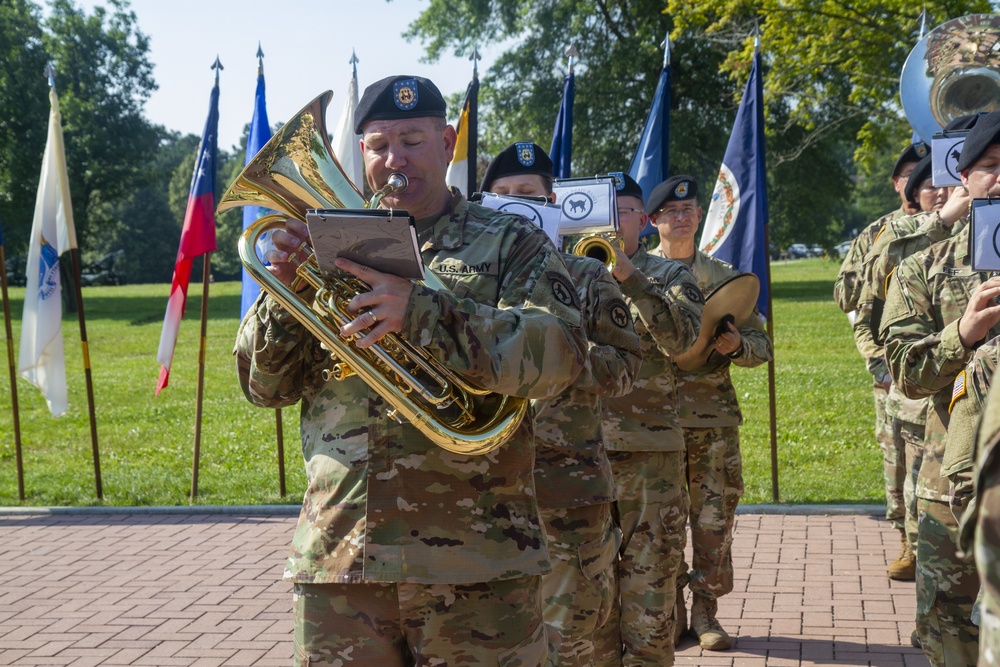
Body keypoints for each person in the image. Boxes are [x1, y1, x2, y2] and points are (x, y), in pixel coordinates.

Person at [235, 74, 590, 666]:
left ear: (447, 141)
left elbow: (561, 354)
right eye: (377, 145)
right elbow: (262, 387)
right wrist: (284, 297)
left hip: (478, 558)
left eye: (411, 140)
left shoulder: (509, 241)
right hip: (341, 559)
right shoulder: (329, 245)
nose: (393, 159)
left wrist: (424, 312)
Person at [479, 143, 643, 667]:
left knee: (573, 634)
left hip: (567, 485)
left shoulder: (588, 276)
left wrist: (559, 356)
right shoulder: (468, 278)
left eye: (527, 195)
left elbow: (625, 367)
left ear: (553, 200)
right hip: (482, 489)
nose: (515, 205)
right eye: (502, 196)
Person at [881, 110, 1000, 666]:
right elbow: (904, 371)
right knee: (952, 634)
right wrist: (964, 332)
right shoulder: (923, 269)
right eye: (992, 167)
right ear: (964, 179)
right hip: (949, 489)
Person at [646, 175, 773, 650]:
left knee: (713, 520)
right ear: (654, 220)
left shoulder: (724, 278)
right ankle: (670, 612)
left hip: (712, 420)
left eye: (690, 210)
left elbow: (761, 347)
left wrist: (740, 345)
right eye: (672, 212)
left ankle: (706, 613)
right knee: (660, 520)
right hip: (651, 420)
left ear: (699, 216)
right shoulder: (638, 276)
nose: (682, 217)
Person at [598, 173, 704, 666]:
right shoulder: (562, 272)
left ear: (643, 220)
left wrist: (630, 279)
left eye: (622, 210)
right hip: (576, 454)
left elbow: (682, 341)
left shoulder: (670, 276)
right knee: (581, 599)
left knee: (649, 591)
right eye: (601, 208)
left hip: (648, 455)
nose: (611, 220)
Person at [851, 152, 963, 585]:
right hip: (922, 385)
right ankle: (915, 551)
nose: (938, 190)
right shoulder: (899, 231)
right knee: (918, 483)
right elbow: (871, 282)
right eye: (930, 184)